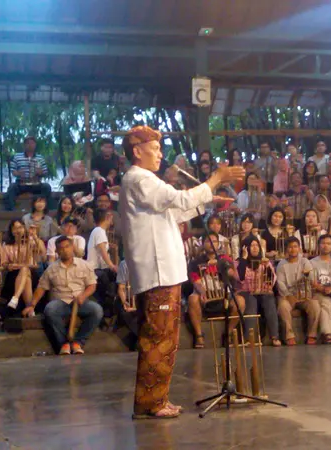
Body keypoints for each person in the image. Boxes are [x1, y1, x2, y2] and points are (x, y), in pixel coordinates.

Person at [119, 125, 244, 420]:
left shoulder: (145, 181)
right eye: (155, 149)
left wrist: (206, 198)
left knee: (166, 337)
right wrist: (214, 180)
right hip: (156, 270)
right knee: (158, 336)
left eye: (161, 149)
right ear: (137, 151)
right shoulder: (138, 178)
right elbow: (178, 200)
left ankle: (156, 398)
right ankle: (149, 402)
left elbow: (176, 211)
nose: (160, 154)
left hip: (165, 270)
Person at [24, 237, 101, 355]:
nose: (65, 250)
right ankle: (64, 344)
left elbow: (92, 285)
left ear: (72, 247)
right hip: (61, 302)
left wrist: (83, 296)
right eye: (61, 248)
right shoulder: (51, 268)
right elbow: (41, 288)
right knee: (50, 309)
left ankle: (78, 342)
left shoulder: (84, 265)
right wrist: (32, 305)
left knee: (97, 310)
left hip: (80, 301)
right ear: (57, 251)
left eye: (67, 247)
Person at [186, 232, 245, 349]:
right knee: (192, 298)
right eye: (208, 241)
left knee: (241, 301)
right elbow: (196, 282)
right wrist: (202, 292)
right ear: (203, 244)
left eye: (215, 241)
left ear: (218, 244)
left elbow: (233, 275)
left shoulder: (225, 259)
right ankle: (199, 335)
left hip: (224, 296)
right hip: (205, 297)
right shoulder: (195, 262)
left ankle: (228, 334)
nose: (212, 244)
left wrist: (222, 266)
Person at [236, 235, 281, 346]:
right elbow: (240, 278)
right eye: (252, 245)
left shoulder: (264, 261)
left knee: (269, 298)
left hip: (262, 291)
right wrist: (244, 259)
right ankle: (248, 338)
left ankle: (275, 336)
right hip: (247, 291)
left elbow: (271, 281)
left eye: (257, 245)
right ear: (245, 248)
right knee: (251, 301)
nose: (255, 248)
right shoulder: (239, 262)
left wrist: (267, 267)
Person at [276, 237, 321, 346]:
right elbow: (280, 283)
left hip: (304, 295)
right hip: (288, 296)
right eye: (290, 247)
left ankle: (312, 335)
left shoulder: (305, 261)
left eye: (295, 246)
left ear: (299, 248)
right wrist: (288, 295)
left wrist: (307, 274)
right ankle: (289, 336)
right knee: (283, 306)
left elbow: (311, 278)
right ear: (286, 249)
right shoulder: (281, 264)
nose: (293, 249)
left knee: (315, 305)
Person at [1, 220, 45, 313]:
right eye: (15, 228)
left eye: (20, 227)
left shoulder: (30, 241)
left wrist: (35, 236)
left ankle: (15, 298)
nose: (18, 230)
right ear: (11, 231)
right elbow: (4, 263)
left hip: (32, 273)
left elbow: (42, 252)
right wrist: (8, 266)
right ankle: (30, 310)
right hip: (14, 275)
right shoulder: (7, 245)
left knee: (25, 270)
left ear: (24, 229)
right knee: (26, 275)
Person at [5, 136, 52, 211]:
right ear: (24, 145)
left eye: (32, 143)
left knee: (47, 187)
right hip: (21, 183)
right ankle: (11, 210)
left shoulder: (40, 158)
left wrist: (40, 172)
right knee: (11, 188)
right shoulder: (17, 157)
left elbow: (45, 172)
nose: (30, 145)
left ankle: (45, 209)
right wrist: (18, 173)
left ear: (35, 145)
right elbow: (13, 171)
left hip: (36, 184)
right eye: (28, 143)